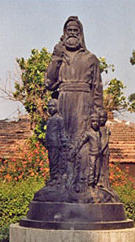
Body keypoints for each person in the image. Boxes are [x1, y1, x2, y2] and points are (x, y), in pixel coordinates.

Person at [45, 16, 104, 189]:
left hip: (84, 102)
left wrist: (99, 111)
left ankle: (82, 181)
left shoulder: (91, 58)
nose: (72, 34)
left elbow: (97, 88)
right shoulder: (58, 57)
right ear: (64, 33)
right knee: (62, 141)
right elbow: (49, 83)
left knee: (83, 141)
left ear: (81, 34)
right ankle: (60, 180)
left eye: (75, 31)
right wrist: (56, 57)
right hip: (64, 100)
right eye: (69, 31)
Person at [75, 113, 102, 187]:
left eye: (97, 121)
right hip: (92, 154)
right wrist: (77, 149)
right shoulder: (88, 133)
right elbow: (82, 141)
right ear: (90, 122)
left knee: (97, 170)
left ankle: (96, 182)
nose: (95, 123)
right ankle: (90, 183)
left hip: (99, 154)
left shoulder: (99, 133)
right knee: (92, 168)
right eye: (93, 121)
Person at [45, 99, 66, 185]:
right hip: (50, 144)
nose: (50, 108)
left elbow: (62, 132)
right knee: (51, 161)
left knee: (55, 161)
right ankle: (53, 177)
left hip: (56, 144)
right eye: (49, 106)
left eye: (52, 106)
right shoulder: (50, 119)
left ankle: (56, 178)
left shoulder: (59, 119)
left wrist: (64, 143)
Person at [98, 110, 111, 188]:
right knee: (97, 168)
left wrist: (102, 148)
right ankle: (99, 182)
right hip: (97, 150)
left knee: (105, 168)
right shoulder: (96, 128)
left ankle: (106, 184)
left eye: (104, 118)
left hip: (104, 150)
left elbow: (106, 139)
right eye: (100, 117)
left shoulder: (106, 129)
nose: (102, 119)